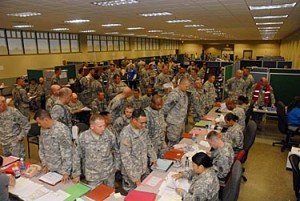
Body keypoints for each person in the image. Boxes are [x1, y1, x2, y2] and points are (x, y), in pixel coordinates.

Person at [72, 114, 120, 187]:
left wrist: (116, 166)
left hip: (109, 173)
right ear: (92, 126)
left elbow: (116, 151)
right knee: (95, 196)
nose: (103, 128)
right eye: (100, 126)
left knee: (109, 195)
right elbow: (76, 156)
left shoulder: (109, 135)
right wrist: (76, 174)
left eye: (104, 125)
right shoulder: (83, 137)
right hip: (93, 176)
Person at [119, 109, 157, 191]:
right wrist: (135, 177)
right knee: (133, 196)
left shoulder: (143, 130)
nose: (144, 125)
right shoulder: (126, 134)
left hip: (143, 169)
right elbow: (126, 158)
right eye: (141, 123)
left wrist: (153, 157)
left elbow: (148, 144)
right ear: (134, 120)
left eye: (145, 122)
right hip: (131, 174)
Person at [34, 110, 73, 183]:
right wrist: (44, 163)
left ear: (46, 119)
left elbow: (67, 153)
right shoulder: (43, 128)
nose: (38, 125)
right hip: (48, 169)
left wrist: (66, 172)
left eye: (39, 122)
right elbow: (41, 147)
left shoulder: (62, 130)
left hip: (61, 170)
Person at [163, 78, 190, 147]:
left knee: (180, 141)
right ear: (180, 84)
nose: (187, 88)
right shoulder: (174, 94)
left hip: (180, 122)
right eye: (186, 86)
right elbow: (165, 108)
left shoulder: (183, 93)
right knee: (173, 142)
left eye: (188, 86)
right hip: (174, 123)